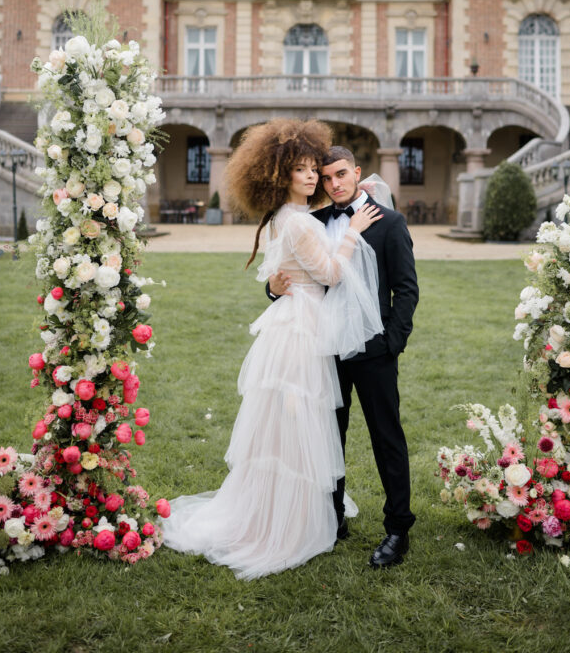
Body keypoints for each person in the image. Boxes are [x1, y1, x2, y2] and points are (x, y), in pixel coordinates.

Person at [161, 120, 384, 579]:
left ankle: (281, 508)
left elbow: (281, 271)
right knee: (297, 422)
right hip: (301, 329)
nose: (309, 176)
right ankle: (285, 521)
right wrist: (352, 231)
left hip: (293, 322)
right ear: (280, 175)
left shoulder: (285, 217)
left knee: (287, 424)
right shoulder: (299, 221)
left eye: (311, 169)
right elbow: (330, 275)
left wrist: (274, 284)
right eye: (299, 169)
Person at [267, 145, 418, 568]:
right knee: (327, 435)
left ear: (356, 173)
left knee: (385, 437)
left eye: (340, 175)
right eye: (326, 176)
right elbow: (294, 273)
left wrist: (392, 342)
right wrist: (272, 290)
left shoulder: (388, 223)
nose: (333, 183)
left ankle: (397, 529)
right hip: (322, 348)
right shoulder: (311, 222)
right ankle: (331, 518)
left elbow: (406, 289)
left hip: (372, 350)